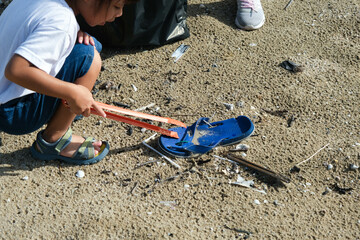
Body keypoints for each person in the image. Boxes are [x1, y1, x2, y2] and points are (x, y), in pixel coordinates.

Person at [0, 0, 138, 165]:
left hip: (4, 91)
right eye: (116, 6)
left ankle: (59, 110)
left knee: (90, 43)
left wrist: (74, 32)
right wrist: (72, 92)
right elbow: (16, 70)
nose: (120, 13)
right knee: (89, 57)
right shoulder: (62, 22)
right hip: (12, 112)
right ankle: (54, 140)